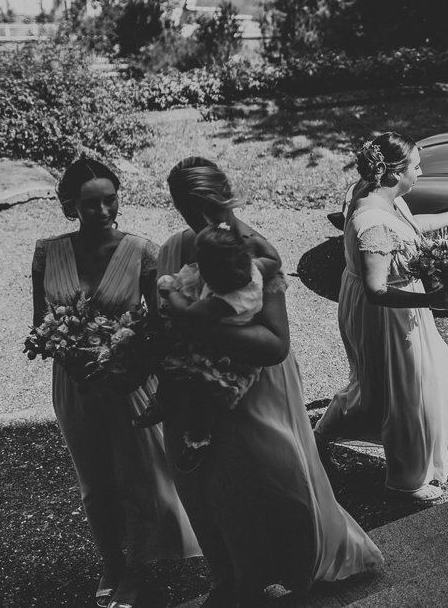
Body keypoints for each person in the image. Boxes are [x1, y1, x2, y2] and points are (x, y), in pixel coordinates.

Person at [160, 157, 381, 606]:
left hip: (256, 384)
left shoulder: (256, 251)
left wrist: (195, 324)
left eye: (212, 207)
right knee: (202, 487)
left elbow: (274, 343)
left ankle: (282, 579)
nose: (204, 221)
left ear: (227, 195)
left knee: (272, 485)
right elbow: (158, 319)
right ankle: (226, 579)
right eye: (190, 209)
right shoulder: (170, 250)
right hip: (190, 385)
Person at [31, 158, 199, 608]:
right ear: (71, 206)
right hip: (74, 384)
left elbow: (161, 328)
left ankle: (139, 567)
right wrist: (68, 356)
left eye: (110, 199)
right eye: (91, 204)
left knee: (138, 478)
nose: (104, 210)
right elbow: (38, 324)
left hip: (127, 380)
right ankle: (111, 559)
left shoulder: (143, 251)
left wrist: (131, 366)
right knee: (94, 481)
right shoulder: (48, 253)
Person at [313, 132, 448, 502]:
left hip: (401, 306)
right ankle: (407, 478)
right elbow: (376, 290)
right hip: (383, 315)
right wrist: (432, 298)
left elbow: (410, 227)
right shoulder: (373, 223)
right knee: (402, 391)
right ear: (395, 173)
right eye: (416, 167)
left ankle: (442, 447)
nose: (421, 173)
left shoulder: (379, 195)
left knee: (417, 379)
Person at [137, 222, 279, 473]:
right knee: (173, 372)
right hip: (217, 343)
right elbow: (273, 259)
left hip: (223, 355)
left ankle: (197, 440)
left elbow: (189, 312)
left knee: (202, 393)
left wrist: (170, 291)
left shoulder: (223, 301)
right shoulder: (253, 270)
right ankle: (164, 402)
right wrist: (253, 237)